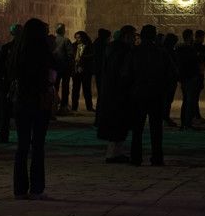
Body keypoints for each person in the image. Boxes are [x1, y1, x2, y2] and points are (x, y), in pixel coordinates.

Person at [10, 19, 53, 199]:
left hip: (22, 101)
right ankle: (36, 188)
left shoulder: (18, 50)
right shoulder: (42, 50)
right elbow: (52, 70)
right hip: (39, 101)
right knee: (38, 145)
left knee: (22, 145)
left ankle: (19, 189)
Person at [128, 25, 176, 166]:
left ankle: (136, 157)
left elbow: (127, 73)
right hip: (156, 94)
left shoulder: (134, 52)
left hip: (139, 94)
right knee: (156, 128)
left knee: (137, 128)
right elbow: (172, 73)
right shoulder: (161, 53)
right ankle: (157, 157)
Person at [97, 25, 136, 163]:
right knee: (118, 123)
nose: (134, 39)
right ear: (127, 36)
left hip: (111, 90)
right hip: (119, 92)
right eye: (133, 36)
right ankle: (113, 154)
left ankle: (115, 153)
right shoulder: (123, 50)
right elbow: (123, 72)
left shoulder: (112, 48)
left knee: (116, 123)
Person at [53, 24, 75, 114]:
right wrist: (70, 66)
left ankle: (53, 106)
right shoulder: (66, 40)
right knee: (65, 88)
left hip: (55, 68)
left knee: (55, 87)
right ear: (63, 30)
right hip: (64, 68)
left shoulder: (52, 40)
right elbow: (70, 55)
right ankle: (63, 106)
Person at [70, 31, 95, 112]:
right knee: (75, 89)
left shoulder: (89, 45)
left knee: (87, 89)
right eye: (76, 38)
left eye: (79, 37)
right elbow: (71, 57)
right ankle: (74, 107)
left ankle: (89, 107)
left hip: (85, 70)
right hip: (76, 71)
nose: (78, 39)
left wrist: (82, 59)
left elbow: (92, 56)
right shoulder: (73, 45)